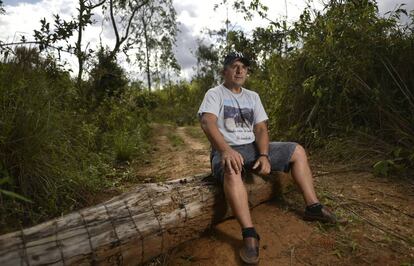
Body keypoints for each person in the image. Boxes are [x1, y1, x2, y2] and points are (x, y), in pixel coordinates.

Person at [197, 51, 338, 264]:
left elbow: (261, 128)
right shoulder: (215, 93)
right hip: (226, 149)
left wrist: (264, 155)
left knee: (297, 150)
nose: (239, 70)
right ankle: (249, 234)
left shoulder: (252, 96)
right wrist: (225, 150)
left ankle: (313, 207)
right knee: (231, 166)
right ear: (224, 71)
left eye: (243, 67)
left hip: (252, 148)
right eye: (234, 65)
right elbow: (208, 122)